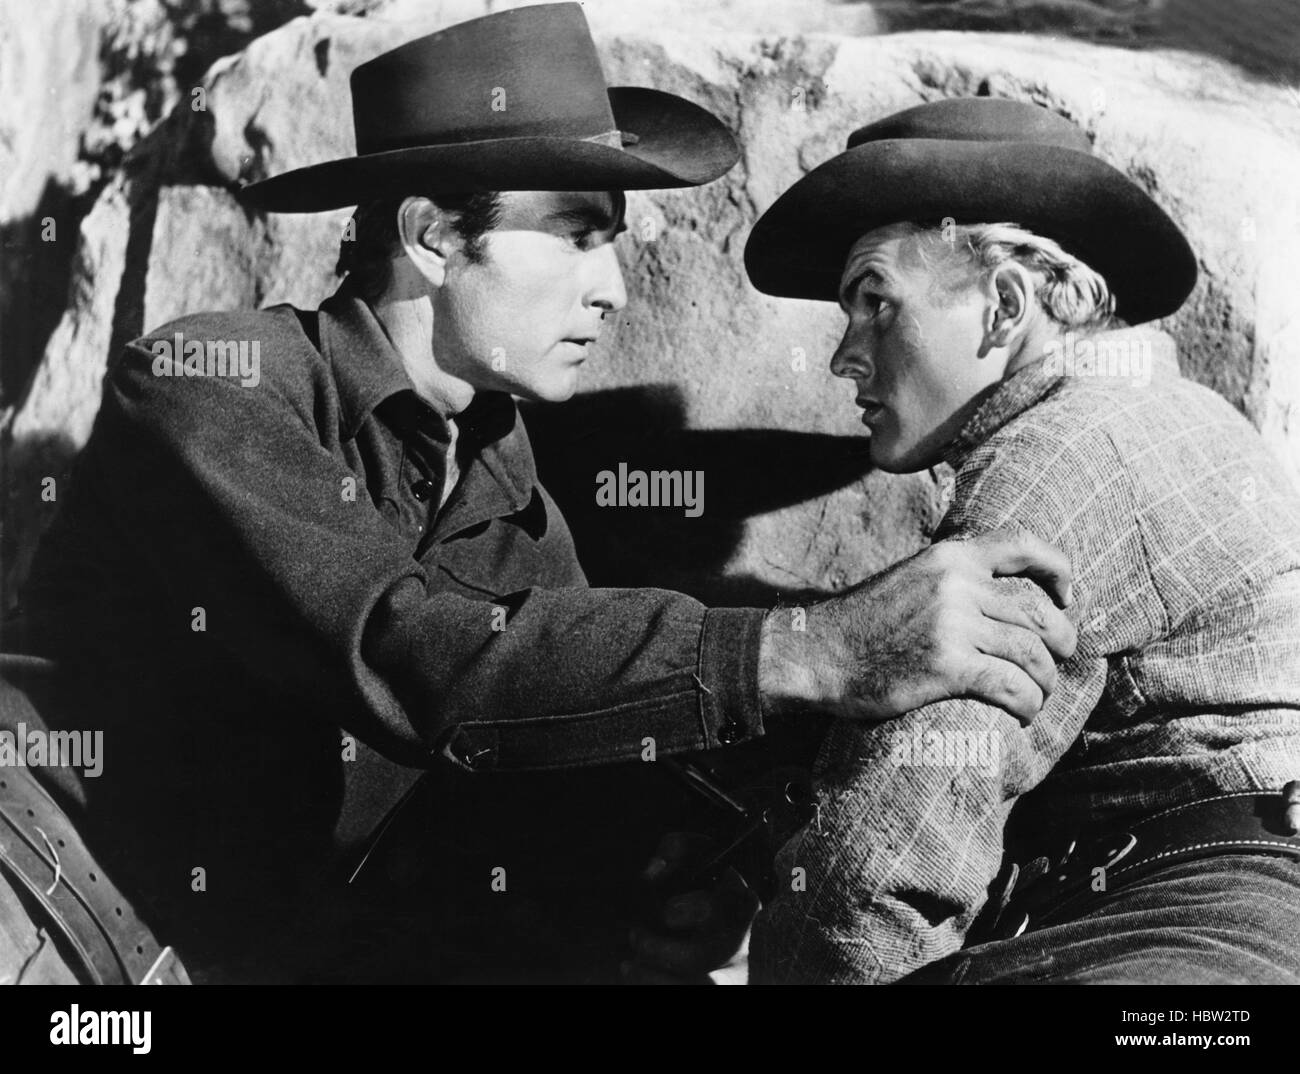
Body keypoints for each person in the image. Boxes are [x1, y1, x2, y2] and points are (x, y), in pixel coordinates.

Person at [4, 13, 1077, 984]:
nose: (611, 286)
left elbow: (544, 730)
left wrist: (682, 884)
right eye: (575, 233)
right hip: (34, 903)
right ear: (431, 234)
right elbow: (409, 655)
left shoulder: (502, 483)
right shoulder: (210, 384)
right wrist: (809, 648)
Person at [674, 96, 1300, 985]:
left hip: (1186, 944)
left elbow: (888, 851)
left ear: (1004, 305)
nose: (844, 357)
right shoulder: (1167, 417)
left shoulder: (1062, 451)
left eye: (874, 302)